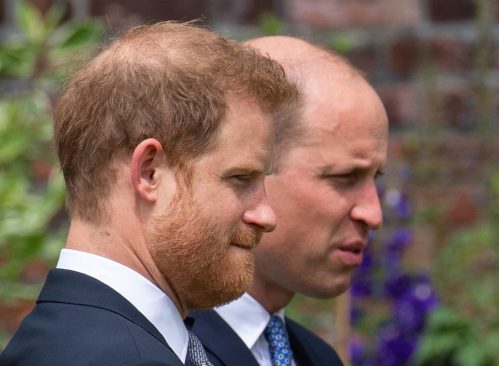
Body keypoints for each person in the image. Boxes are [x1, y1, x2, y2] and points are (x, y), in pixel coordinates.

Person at [0, 23, 297, 366]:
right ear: (149, 172)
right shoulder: (113, 357)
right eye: (240, 178)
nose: (266, 216)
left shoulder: (68, 341)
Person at [187, 36, 389, 366]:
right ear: (248, 167)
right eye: (344, 178)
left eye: (375, 178)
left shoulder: (317, 357)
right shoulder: (163, 347)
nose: (373, 213)